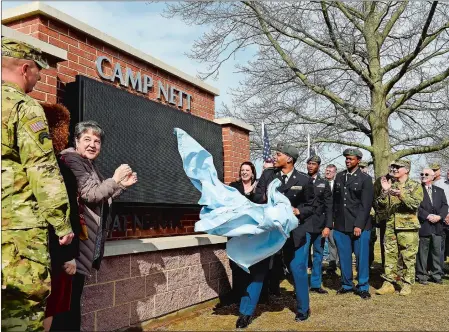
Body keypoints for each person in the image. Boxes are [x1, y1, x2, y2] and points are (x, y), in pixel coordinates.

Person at [1, 38, 74, 331]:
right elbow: (41, 167)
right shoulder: (25, 107)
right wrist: (62, 222)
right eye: (38, 71)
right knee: (20, 312)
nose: (40, 76)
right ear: (25, 68)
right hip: (17, 231)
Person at [50, 121, 138, 330]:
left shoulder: (88, 164)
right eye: (87, 139)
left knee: (72, 302)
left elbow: (100, 197)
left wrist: (120, 186)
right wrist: (115, 179)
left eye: (97, 141)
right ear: (76, 142)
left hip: (84, 246)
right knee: (65, 307)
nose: (92, 145)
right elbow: (91, 194)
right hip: (72, 246)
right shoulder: (71, 159)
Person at [236, 142, 315, 328]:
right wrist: (264, 197)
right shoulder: (268, 175)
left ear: (289, 158)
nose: (274, 157)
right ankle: (246, 313)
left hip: (294, 234)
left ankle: (303, 309)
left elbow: (312, 206)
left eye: (278, 154)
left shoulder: (304, 180)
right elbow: (256, 198)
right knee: (258, 271)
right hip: (269, 234)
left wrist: (298, 211)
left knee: (297, 270)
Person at [40, 102, 80, 331]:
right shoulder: (57, 169)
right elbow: (66, 213)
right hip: (52, 256)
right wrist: (69, 255)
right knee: (48, 310)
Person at [374, 159, 422, 296]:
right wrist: (384, 192)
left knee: (408, 257)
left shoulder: (415, 185)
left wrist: (401, 195)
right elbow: (380, 205)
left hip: (407, 228)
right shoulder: (390, 184)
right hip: (390, 226)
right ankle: (388, 283)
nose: (394, 169)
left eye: (397, 167)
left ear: (406, 170)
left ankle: (407, 284)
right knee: (389, 256)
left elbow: (415, 204)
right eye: (393, 167)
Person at [333, 148, 373, 299]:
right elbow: (336, 201)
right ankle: (346, 284)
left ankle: (363, 286)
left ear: (358, 160)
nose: (348, 161)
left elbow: (365, 204)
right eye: (346, 159)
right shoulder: (340, 176)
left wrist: (358, 225)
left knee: (361, 257)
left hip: (359, 226)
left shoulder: (365, 179)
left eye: (351, 159)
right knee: (344, 257)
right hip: (341, 225)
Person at [227, 162, 257, 303]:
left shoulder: (258, 188)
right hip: (235, 230)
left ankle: (251, 294)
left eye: (247, 170)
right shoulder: (233, 187)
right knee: (235, 262)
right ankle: (237, 294)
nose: (244, 172)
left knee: (250, 262)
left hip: (251, 232)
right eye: (242, 170)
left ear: (252, 172)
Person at [304, 155, 333, 294]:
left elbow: (329, 206)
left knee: (318, 255)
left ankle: (315, 284)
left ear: (318, 166)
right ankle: (302, 284)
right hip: (304, 225)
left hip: (319, 225)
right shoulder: (302, 180)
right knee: (303, 256)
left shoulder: (324, 183)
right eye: (308, 163)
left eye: (313, 164)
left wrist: (328, 226)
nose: (310, 166)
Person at [416, 168, 448, 284]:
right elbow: (417, 207)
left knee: (436, 252)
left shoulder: (439, 190)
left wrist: (440, 217)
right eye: (421, 174)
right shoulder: (417, 190)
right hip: (424, 225)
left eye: (426, 174)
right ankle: (422, 275)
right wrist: (428, 215)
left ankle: (436, 275)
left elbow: (445, 205)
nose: (423, 176)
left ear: (433, 176)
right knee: (422, 253)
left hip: (438, 226)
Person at [429, 163, 449, 274]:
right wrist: (444, 215)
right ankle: (439, 270)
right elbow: (438, 202)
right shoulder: (439, 184)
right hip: (442, 219)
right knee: (439, 246)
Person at [324, 164, 339, 275]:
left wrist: (333, 219)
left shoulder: (338, 185)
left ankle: (334, 263)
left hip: (335, 218)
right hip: (322, 218)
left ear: (335, 173)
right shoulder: (321, 183)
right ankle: (331, 264)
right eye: (327, 170)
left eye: (330, 171)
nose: (328, 172)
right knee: (327, 242)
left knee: (333, 241)